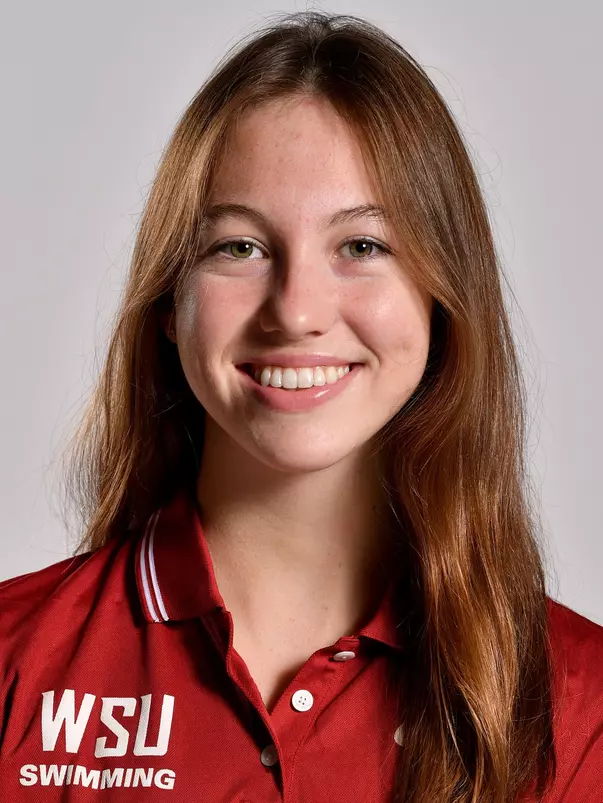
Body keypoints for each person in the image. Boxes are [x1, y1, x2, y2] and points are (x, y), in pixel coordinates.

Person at [1, 10, 602, 803]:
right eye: (238, 247)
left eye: (362, 246)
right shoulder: (15, 663)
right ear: (166, 303)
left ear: (440, 300)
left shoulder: (578, 704)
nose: (295, 310)